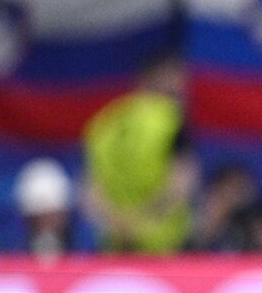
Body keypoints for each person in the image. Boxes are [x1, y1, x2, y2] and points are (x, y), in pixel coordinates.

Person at [82, 53, 198, 253]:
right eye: (178, 82)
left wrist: (117, 223)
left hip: (114, 246)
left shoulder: (104, 123)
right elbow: (181, 183)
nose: (183, 90)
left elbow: (91, 192)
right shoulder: (170, 120)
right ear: (161, 80)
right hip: (163, 249)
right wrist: (142, 223)